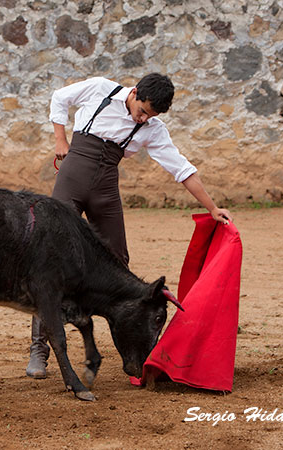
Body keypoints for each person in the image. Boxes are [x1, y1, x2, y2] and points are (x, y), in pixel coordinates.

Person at [25, 74, 234, 379]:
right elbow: (60, 97)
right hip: (71, 177)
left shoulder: (152, 127)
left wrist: (212, 207)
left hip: (105, 188)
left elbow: (181, 168)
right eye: (142, 110)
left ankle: (131, 346)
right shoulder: (99, 89)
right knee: (50, 258)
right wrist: (60, 139)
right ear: (134, 93)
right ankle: (39, 349)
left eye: (151, 115)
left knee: (118, 262)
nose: (144, 118)